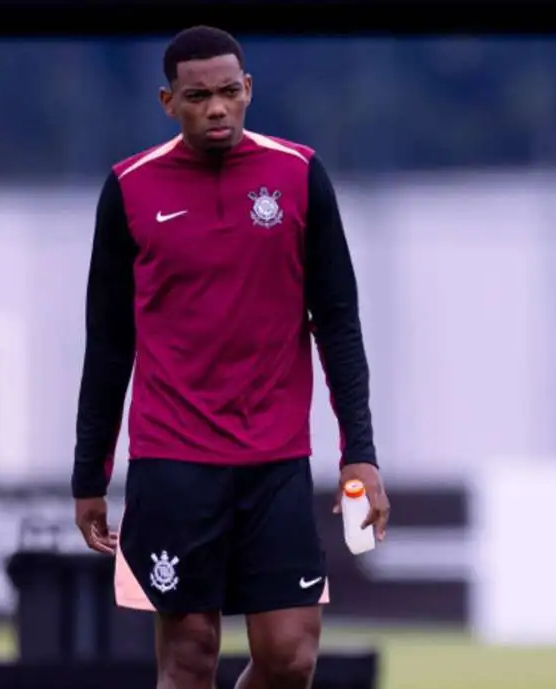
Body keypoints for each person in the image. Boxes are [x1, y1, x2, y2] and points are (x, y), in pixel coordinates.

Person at [70, 25, 389, 689]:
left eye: (227, 92)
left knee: (290, 657)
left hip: (276, 459)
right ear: (168, 102)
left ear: (248, 89)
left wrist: (359, 452)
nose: (216, 108)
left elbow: (338, 322)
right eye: (197, 97)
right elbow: (108, 342)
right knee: (189, 657)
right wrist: (87, 475)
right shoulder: (129, 188)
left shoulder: (299, 174)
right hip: (172, 462)